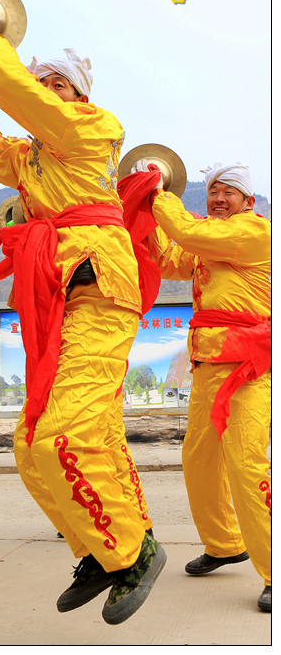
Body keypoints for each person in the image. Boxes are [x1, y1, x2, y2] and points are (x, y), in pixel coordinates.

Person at [0, 12, 166, 626]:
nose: (49, 90)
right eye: (42, 81)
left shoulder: (92, 129)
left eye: (60, 83)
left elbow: (22, 99)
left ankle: (134, 551)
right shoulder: (36, 155)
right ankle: (102, 550)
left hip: (100, 287)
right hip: (60, 295)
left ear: (79, 96)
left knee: (63, 438)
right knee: (31, 446)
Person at [135, 159, 271, 613]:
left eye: (228, 192)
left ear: (248, 202)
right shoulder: (212, 242)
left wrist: (158, 190)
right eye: (212, 192)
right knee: (197, 459)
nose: (217, 198)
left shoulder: (253, 232)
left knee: (248, 466)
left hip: (248, 367)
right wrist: (141, 213)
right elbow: (169, 257)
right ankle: (225, 542)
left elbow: (190, 235)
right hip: (209, 364)